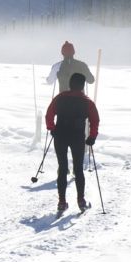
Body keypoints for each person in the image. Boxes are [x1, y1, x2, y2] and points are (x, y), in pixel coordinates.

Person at [44, 71, 100, 215]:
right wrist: (92, 137)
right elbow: (95, 120)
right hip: (77, 137)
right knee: (78, 168)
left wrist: (52, 128)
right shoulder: (87, 102)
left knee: (62, 167)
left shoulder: (59, 98)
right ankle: (81, 201)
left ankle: (62, 202)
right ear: (82, 86)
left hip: (60, 135)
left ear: (70, 84)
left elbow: (49, 114)